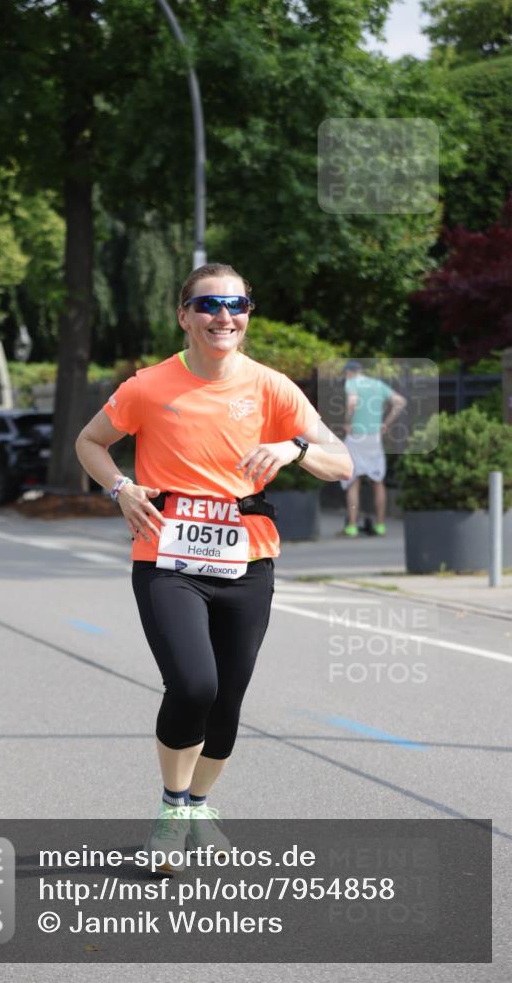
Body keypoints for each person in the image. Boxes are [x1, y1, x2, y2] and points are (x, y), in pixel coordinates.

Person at [75, 263, 353, 873]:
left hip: (248, 560)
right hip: (167, 558)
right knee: (194, 685)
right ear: (184, 316)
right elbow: (89, 442)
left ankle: (198, 806)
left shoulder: (272, 387)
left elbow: (342, 463)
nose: (223, 316)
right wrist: (121, 486)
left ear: (248, 314)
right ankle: (172, 809)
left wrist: (295, 447)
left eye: (237, 304)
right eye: (208, 306)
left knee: (227, 701)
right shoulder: (149, 385)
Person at [340, 360, 407, 536]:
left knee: (353, 480)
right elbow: (400, 402)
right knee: (378, 481)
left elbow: (352, 402)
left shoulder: (351, 383)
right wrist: (386, 424)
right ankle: (380, 525)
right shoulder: (378, 384)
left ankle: (352, 526)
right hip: (374, 438)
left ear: (349, 373)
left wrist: (347, 422)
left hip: (356, 436)